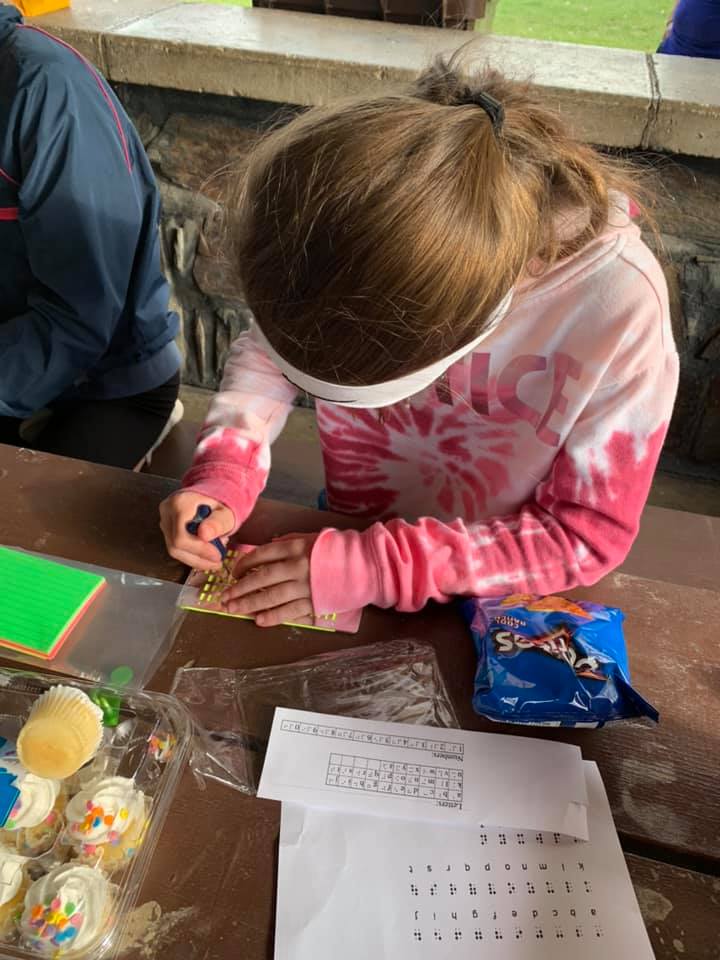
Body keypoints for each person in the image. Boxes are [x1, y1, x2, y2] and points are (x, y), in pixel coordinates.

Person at [159, 56, 679, 627]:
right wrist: (224, 472)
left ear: (475, 321)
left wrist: (378, 568)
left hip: (493, 590)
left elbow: (583, 536)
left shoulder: (619, 305)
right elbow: (267, 358)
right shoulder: (351, 227)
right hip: (346, 532)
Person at [0, 5, 182, 470]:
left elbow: (81, 317)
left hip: (107, 381)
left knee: (22, 531)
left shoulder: (48, 87)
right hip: (13, 354)